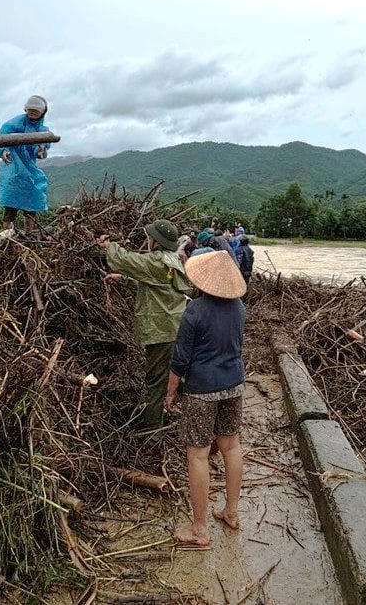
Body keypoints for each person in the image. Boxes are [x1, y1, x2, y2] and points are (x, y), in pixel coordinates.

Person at [166, 250, 246, 549]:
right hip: (234, 384)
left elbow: (180, 359)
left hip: (201, 389)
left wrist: (171, 391)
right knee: (231, 445)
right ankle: (231, 512)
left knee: (198, 454)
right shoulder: (239, 307)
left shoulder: (195, 310)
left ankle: (199, 529)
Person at [98, 220, 194, 429]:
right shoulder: (172, 260)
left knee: (156, 383)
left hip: (162, 331)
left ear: (157, 242)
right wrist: (123, 279)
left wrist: (109, 246)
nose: (148, 241)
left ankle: (153, 434)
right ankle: (187, 416)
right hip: (173, 326)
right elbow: (159, 287)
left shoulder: (158, 261)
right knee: (175, 376)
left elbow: (127, 260)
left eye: (151, 238)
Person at [0, 96, 51, 233]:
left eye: (35, 110)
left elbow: (40, 151)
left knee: (32, 202)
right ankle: (6, 235)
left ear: (42, 112)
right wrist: (3, 151)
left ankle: (29, 235)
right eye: (30, 109)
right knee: (10, 205)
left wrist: (41, 150)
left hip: (30, 170)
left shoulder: (42, 130)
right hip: (13, 169)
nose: (32, 112)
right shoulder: (13, 124)